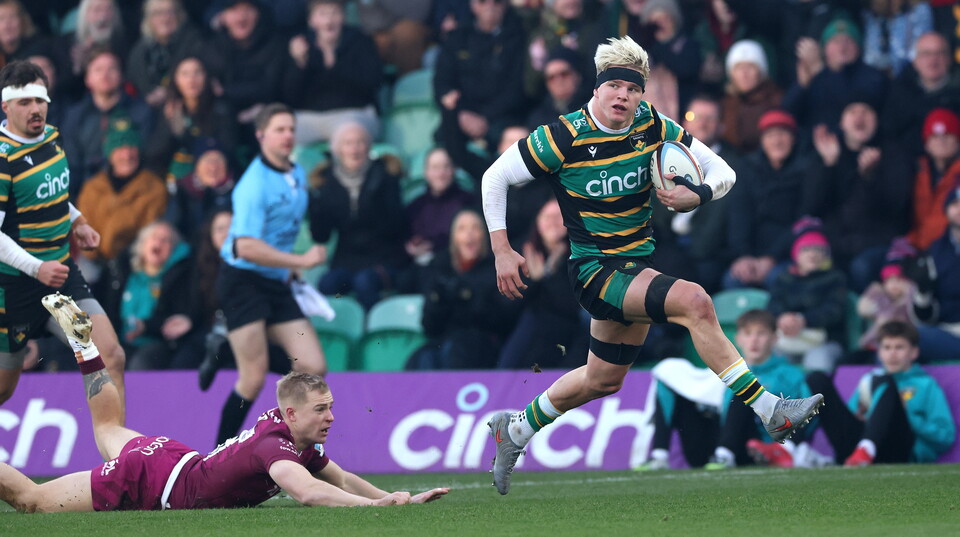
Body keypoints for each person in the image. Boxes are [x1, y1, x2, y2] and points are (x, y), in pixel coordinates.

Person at [481, 35, 824, 495]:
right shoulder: (564, 135)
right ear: (597, 89)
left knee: (602, 380)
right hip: (595, 272)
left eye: (633, 88)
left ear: (642, 93)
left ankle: (516, 429)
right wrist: (502, 249)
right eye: (614, 87)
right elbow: (495, 177)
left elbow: (724, 172)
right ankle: (770, 410)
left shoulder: (652, 124)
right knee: (696, 302)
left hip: (635, 265)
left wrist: (696, 193)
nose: (623, 96)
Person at [0, 293, 449, 512]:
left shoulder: (294, 436)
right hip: (150, 481)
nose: (331, 416)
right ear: (292, 414)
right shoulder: (276, 449)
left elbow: (341, 477)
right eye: (321, 409)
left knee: (105, 429)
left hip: (171, 457)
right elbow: (309, 493)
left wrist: (394, 499)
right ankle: (83, 348)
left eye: (330, 406)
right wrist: (374, 508)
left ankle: (85, 349)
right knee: (32, 501)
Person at [0, 60, 125, 407]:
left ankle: (122, 460)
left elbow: (50, 194)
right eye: (25, 103)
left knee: (111, 355)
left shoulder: (52, 139)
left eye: (40, 100)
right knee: (3, 388)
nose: (35, 109)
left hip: (61, 277)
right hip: (13, 289)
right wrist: (36, 268)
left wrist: (78, 221)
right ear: (6, 106)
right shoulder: (3, 158)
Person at [215, 103, 327, 446]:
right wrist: (299, 260)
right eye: (279, 129)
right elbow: (244, 247)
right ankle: (217, 454)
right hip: (242, 282)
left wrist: (288, 269)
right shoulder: (253, 185)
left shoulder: (297, 172)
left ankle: (294, 446)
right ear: (261, 134)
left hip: (275, 281)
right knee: (252, 378)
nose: (288, 136)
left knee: (312, 367)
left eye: (291, 129)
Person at [638, 310, 822, 471]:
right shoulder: (723, 371)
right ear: (738, 339)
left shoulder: (790, 374)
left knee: (743, 386)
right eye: (748, 333)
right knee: (668, 374)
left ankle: (726, 453)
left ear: (774, 338)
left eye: (761, 333)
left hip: (760, 448)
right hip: (712, 448)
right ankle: (659, 455)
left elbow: (806, 417)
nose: (754, 340)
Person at [805, 321, 955, 466]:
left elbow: (945, 436)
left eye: (899, 347)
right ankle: (790, 447)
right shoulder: (869, 380)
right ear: (879, 352)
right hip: (855, 447)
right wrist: (859, 416)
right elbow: (849, 420)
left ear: (914, 352)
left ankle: (866, 449)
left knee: (886, 381)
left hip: (897, 452)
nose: (892, 354)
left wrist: (908, 414)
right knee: (816, 379)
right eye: (887, 347)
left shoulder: (926, 385)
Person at [308, 121, 410, 310]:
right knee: (328, 285)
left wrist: (375, 198)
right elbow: (321, 235)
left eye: (359, 143)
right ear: (338, 150)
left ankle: (372, 327)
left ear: (368, 147)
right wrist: (316, 205)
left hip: (384, 259)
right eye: (348, 143)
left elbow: (397, 225)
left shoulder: (384, 175)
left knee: (365, 283)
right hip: (347, 261)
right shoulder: (327, 182)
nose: (354, 149)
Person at [409, 209, 518, 370]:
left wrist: (469, 294)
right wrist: (438, 299)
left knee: (455, 351)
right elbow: (429, 326)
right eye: (462, 229)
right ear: (453, 238)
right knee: (422, 358)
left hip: (482, 345)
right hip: (444, 342)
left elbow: (503, 321)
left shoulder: (497, 269)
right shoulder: (440, 269)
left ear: (485, 236)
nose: (469, 234)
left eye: (475, 228)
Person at [282, 0, 384, 145]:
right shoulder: (301, 45)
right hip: (310, 117)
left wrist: (332, 55)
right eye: (322, 14)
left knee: (349, 137)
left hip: (353, 113)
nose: (329, 20)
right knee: (280, 136)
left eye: (335, 13)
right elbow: (290, 95)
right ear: (311, 21)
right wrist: (299, 63)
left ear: (343, 16)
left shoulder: (360, 41)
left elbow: (372, 82)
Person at [766, 219, 848, 373]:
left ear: (826, 255)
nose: (812, 254)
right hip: (787, 338)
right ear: (796, 254)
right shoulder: (783, 278)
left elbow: (834, 311)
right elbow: (772, 306)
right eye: (806, 249)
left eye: (819, 249)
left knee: (817, 367)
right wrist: (782, 318)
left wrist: (804, 320)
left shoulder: (835, 278)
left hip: (825, 341)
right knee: (772, 362)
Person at [905, 108, 960, 252]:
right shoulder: (916, 170)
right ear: (926, 143)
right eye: (935, 136)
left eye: (947, 135)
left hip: (949, 249)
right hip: (915, 243)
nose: (941, 142)